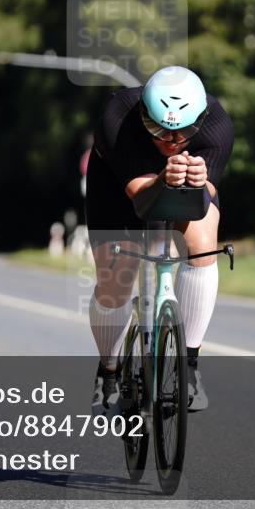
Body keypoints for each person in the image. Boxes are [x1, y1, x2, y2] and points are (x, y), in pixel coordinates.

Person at [85, 66, 234, 414]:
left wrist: (199, 182)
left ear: (199, 121)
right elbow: (140, 199)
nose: (169, 140)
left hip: (182, 186)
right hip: (118, 187)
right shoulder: (118, 116)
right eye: (157, 129)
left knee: (203, 234)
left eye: (181, 132)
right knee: (116, 278)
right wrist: (162, 177)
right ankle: (108, 370)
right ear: (143, 115)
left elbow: (204, 199)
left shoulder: (218, 127)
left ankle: (190, 367)